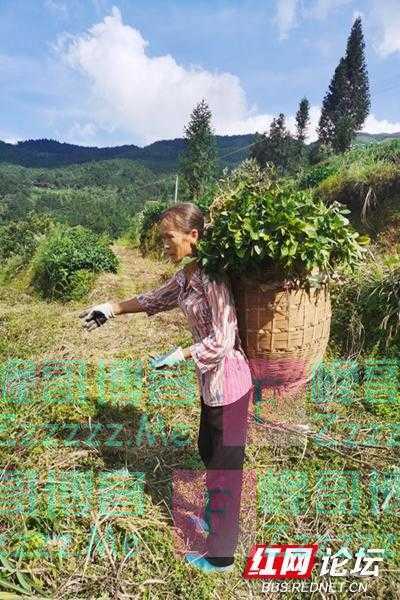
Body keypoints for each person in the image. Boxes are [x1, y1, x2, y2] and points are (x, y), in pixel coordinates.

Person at [79, 202, 254, 573]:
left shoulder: (213, 278)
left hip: (232, 385)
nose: (163, 245)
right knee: (208, 450)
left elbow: (224, 340)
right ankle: (212, 515)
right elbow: (152, 299)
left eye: (168, 237)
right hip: (212, 385)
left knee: (226, 468)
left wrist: (182, 352)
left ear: (193, 236)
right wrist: (110, 308)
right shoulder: (187, 276)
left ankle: (222, 555)